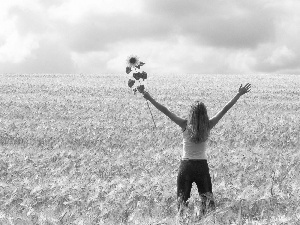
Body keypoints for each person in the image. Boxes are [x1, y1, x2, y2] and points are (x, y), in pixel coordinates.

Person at [143, 83, 251, 215]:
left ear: (191, 113)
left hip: (186, 166)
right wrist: (238, 94)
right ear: (205, 113)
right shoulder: (209, 125)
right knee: (207, 203)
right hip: (202, 166)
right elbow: (224, 109)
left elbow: (165, 110)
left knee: (182, 204)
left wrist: (149, 98)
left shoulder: (184, 124)